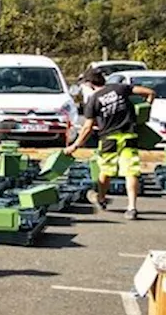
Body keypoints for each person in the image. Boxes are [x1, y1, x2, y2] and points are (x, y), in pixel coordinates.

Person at [65, 68, 156, 220]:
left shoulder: (94, 100)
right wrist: (145, 110)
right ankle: (132, 208)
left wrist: (75, 146)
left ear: (89, 84)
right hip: (129, 136)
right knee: (131, 172)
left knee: (106, 171)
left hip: (109, 139)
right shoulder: (120, 88)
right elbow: (150, 92)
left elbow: (87, 127)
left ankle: (101, 199)